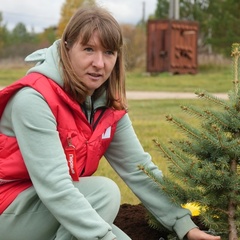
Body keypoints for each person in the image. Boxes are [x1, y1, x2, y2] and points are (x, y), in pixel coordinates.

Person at [0, 6, 221, 240]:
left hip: (48, 210)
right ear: (67, 48)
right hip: (10, 212)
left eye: (108, 53)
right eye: (88, 49)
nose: (99, 63)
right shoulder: (34, 99)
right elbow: (55, 187)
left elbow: (140, 169)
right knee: (103, 194)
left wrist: (184, 224)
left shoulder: (106, 106)